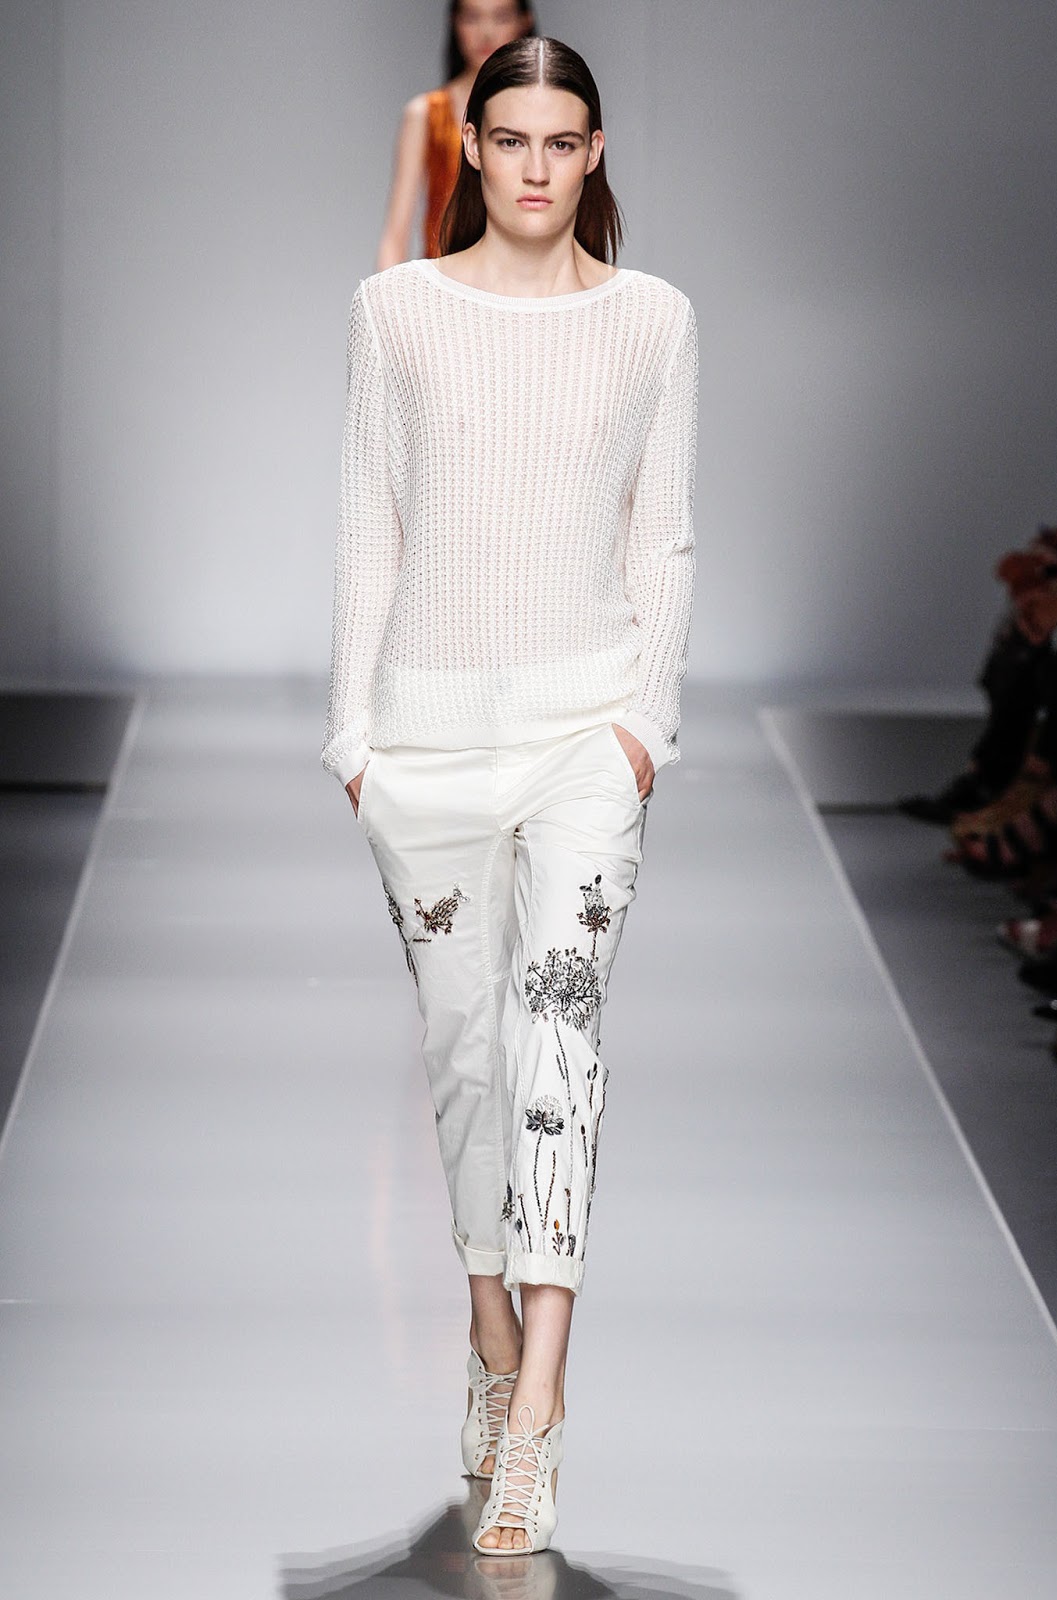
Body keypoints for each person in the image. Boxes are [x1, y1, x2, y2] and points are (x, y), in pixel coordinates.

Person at [323, 35, 698, 1556]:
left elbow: (661, 535)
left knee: (558, 1036)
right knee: (466, 1056)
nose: (536, 167)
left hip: (579, 741)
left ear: (592, 154)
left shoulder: (651, 318)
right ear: (469, 149)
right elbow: (369, 520)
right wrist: (353, 738)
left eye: (563, 141)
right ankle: (485, 1323)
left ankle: (535, 1399)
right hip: (421, 740)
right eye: (512, 139)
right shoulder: (395, 311)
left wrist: (640, 728)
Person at [376, 0, 537, 267]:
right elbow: (395, 235)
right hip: (443, 283)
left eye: (501, 18)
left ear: (524, 22)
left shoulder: (544, 112)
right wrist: (386, 291)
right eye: (472, 18)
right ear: (455, 22)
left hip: (526, 280)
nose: (486, 32)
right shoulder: (426, 113)